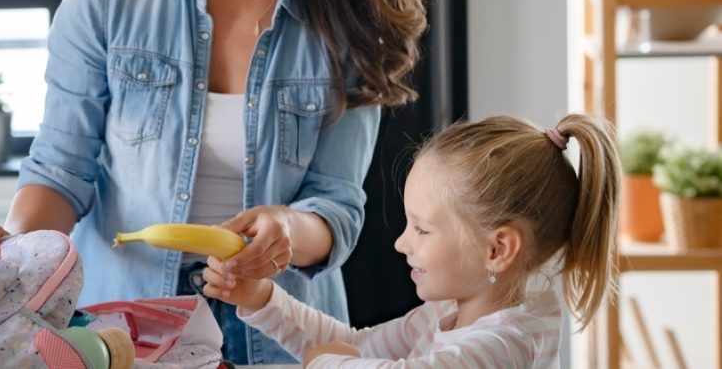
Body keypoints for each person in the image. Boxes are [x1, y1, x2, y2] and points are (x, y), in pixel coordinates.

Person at [0, 0, 427, 363]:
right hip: (125, 330)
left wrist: (287, 231)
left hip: (282, 332)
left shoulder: (348, 28)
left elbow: (337, 206)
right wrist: (15, 247)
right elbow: (61, 170)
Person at [202, 114, 621, 367]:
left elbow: (340, 356)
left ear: (496, 250)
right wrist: (260, 298)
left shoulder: (507, 345)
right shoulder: (445, 314)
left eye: (421, 229)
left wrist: (322, 362)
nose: (402, 243)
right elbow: (355, 346)